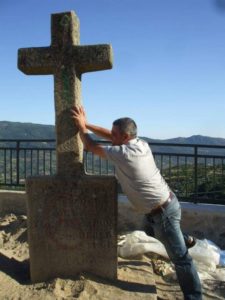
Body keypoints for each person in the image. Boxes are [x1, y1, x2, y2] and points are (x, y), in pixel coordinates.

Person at [71, 105, 202, 300]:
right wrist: (87, 124)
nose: (111, 136)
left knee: (181, 260)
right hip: (165, 206)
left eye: (115, 134)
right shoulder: (140, 144)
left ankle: (194, 297)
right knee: (151, 231)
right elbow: (110, 135)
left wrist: (82, 128)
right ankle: (185, 239)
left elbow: (90, 146)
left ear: (124, 137)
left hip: (162, 213)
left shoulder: (123, 153)